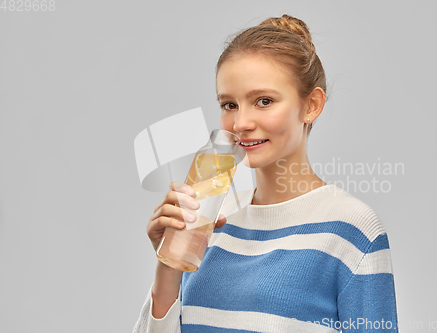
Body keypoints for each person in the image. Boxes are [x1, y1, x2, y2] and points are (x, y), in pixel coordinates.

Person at [133, 14, 398, 333]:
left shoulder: (352, 230)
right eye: (229, 105)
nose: (241, 122)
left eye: (263, 101)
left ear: (311, 105)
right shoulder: (208, 224)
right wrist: (168, 268)